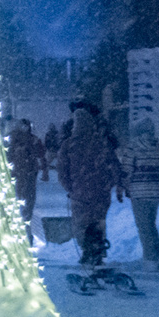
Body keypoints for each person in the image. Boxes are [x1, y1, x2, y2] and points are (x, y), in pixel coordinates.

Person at [60, 97, 120, 271]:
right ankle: (98, 253)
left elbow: (62, 171)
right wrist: (111, 184)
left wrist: (70, 188)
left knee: (81, 225)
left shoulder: (68, 145)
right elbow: (113, 165)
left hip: (80, 194)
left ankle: (87, 252)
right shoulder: (102, 143)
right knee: (98, 223)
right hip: (101, 194)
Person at [122, 123, 159, 270]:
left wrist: (124, 186)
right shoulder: (157, 146)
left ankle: (150, 259)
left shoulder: (132, 147)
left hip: (139, 191)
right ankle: (157, 254)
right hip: (155, 191)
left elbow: (126, 169)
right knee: (151, 224)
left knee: (144, 226)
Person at [7, 117, 46, 225]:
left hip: (23, 171)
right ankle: (25, 215)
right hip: (26, 170)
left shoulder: (15, 139)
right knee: (27, 193)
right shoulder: (30, 139)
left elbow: (41, 154)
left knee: (23, 192)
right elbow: (41, 155)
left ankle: (22, 215)